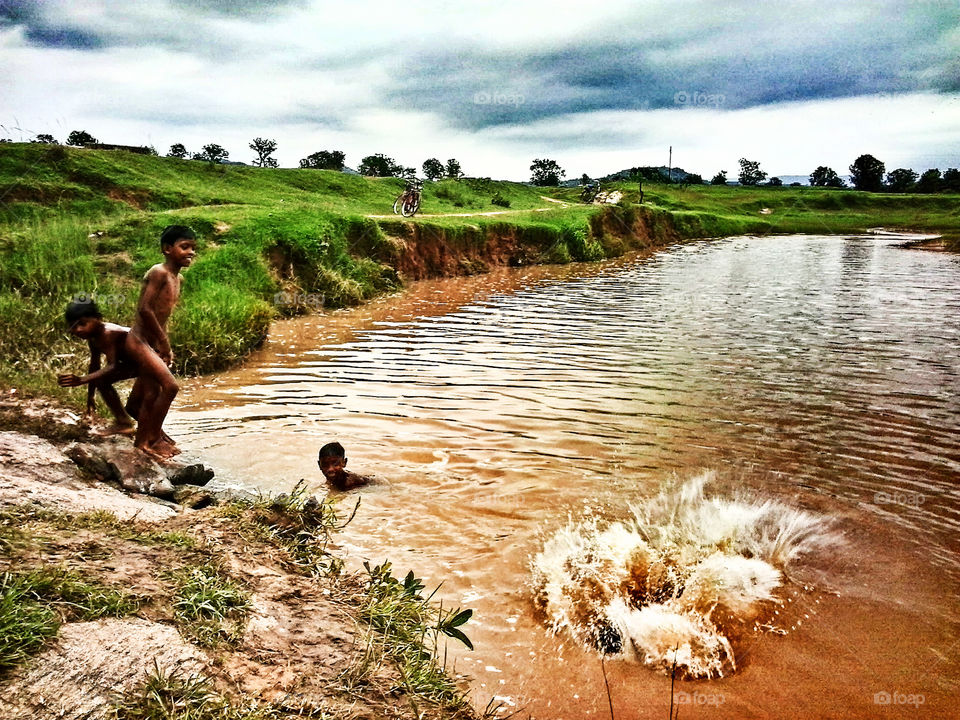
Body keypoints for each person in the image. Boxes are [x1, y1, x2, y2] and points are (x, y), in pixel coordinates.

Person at [123, 224, 197, 459]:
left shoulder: (178, 279)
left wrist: (165, 347)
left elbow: (163, 315)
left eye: (193, 248)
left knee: (149, 393)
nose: (190, 252)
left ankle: (146, 436)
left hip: (152, 343)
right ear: (167, 249)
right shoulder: (159, 272)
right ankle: (149, 440)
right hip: (138, 341)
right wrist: (162, 343)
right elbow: (145, 309)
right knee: (169, 387)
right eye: (184, 247)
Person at [57, 298, 138, 436]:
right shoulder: (93, 338)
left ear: (98, 319)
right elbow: (95, 366)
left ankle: (127, 424)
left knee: (143, 404)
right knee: (102, 381)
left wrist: (82, 380)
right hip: (134, 364)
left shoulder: (108, 333)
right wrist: (90, 396)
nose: (78, 330)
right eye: (74, 326)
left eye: (83, 324)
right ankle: (124, 423)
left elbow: (113, 365)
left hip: (151, 360)